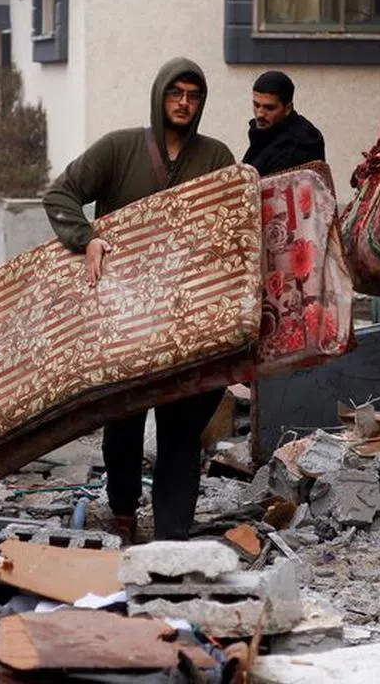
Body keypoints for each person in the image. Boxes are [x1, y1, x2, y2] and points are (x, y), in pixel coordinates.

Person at [42, 58, 235, 542]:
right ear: (159, 96)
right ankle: (123, 513)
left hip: (187, 314)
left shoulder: (215, 158)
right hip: (122, 313)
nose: (184, 103)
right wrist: (85, 237)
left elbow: (232, 226)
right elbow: (60, 193)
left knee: (180, 426)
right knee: (124, 419)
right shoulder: (119, 148)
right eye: (176, 94)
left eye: (193, 95)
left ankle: (172, 531)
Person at [242, 70, 325, 176]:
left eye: (269, 108)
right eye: (256, 105)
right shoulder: (264, 133)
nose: (260, 114)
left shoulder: (299, 146)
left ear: (288, 108)